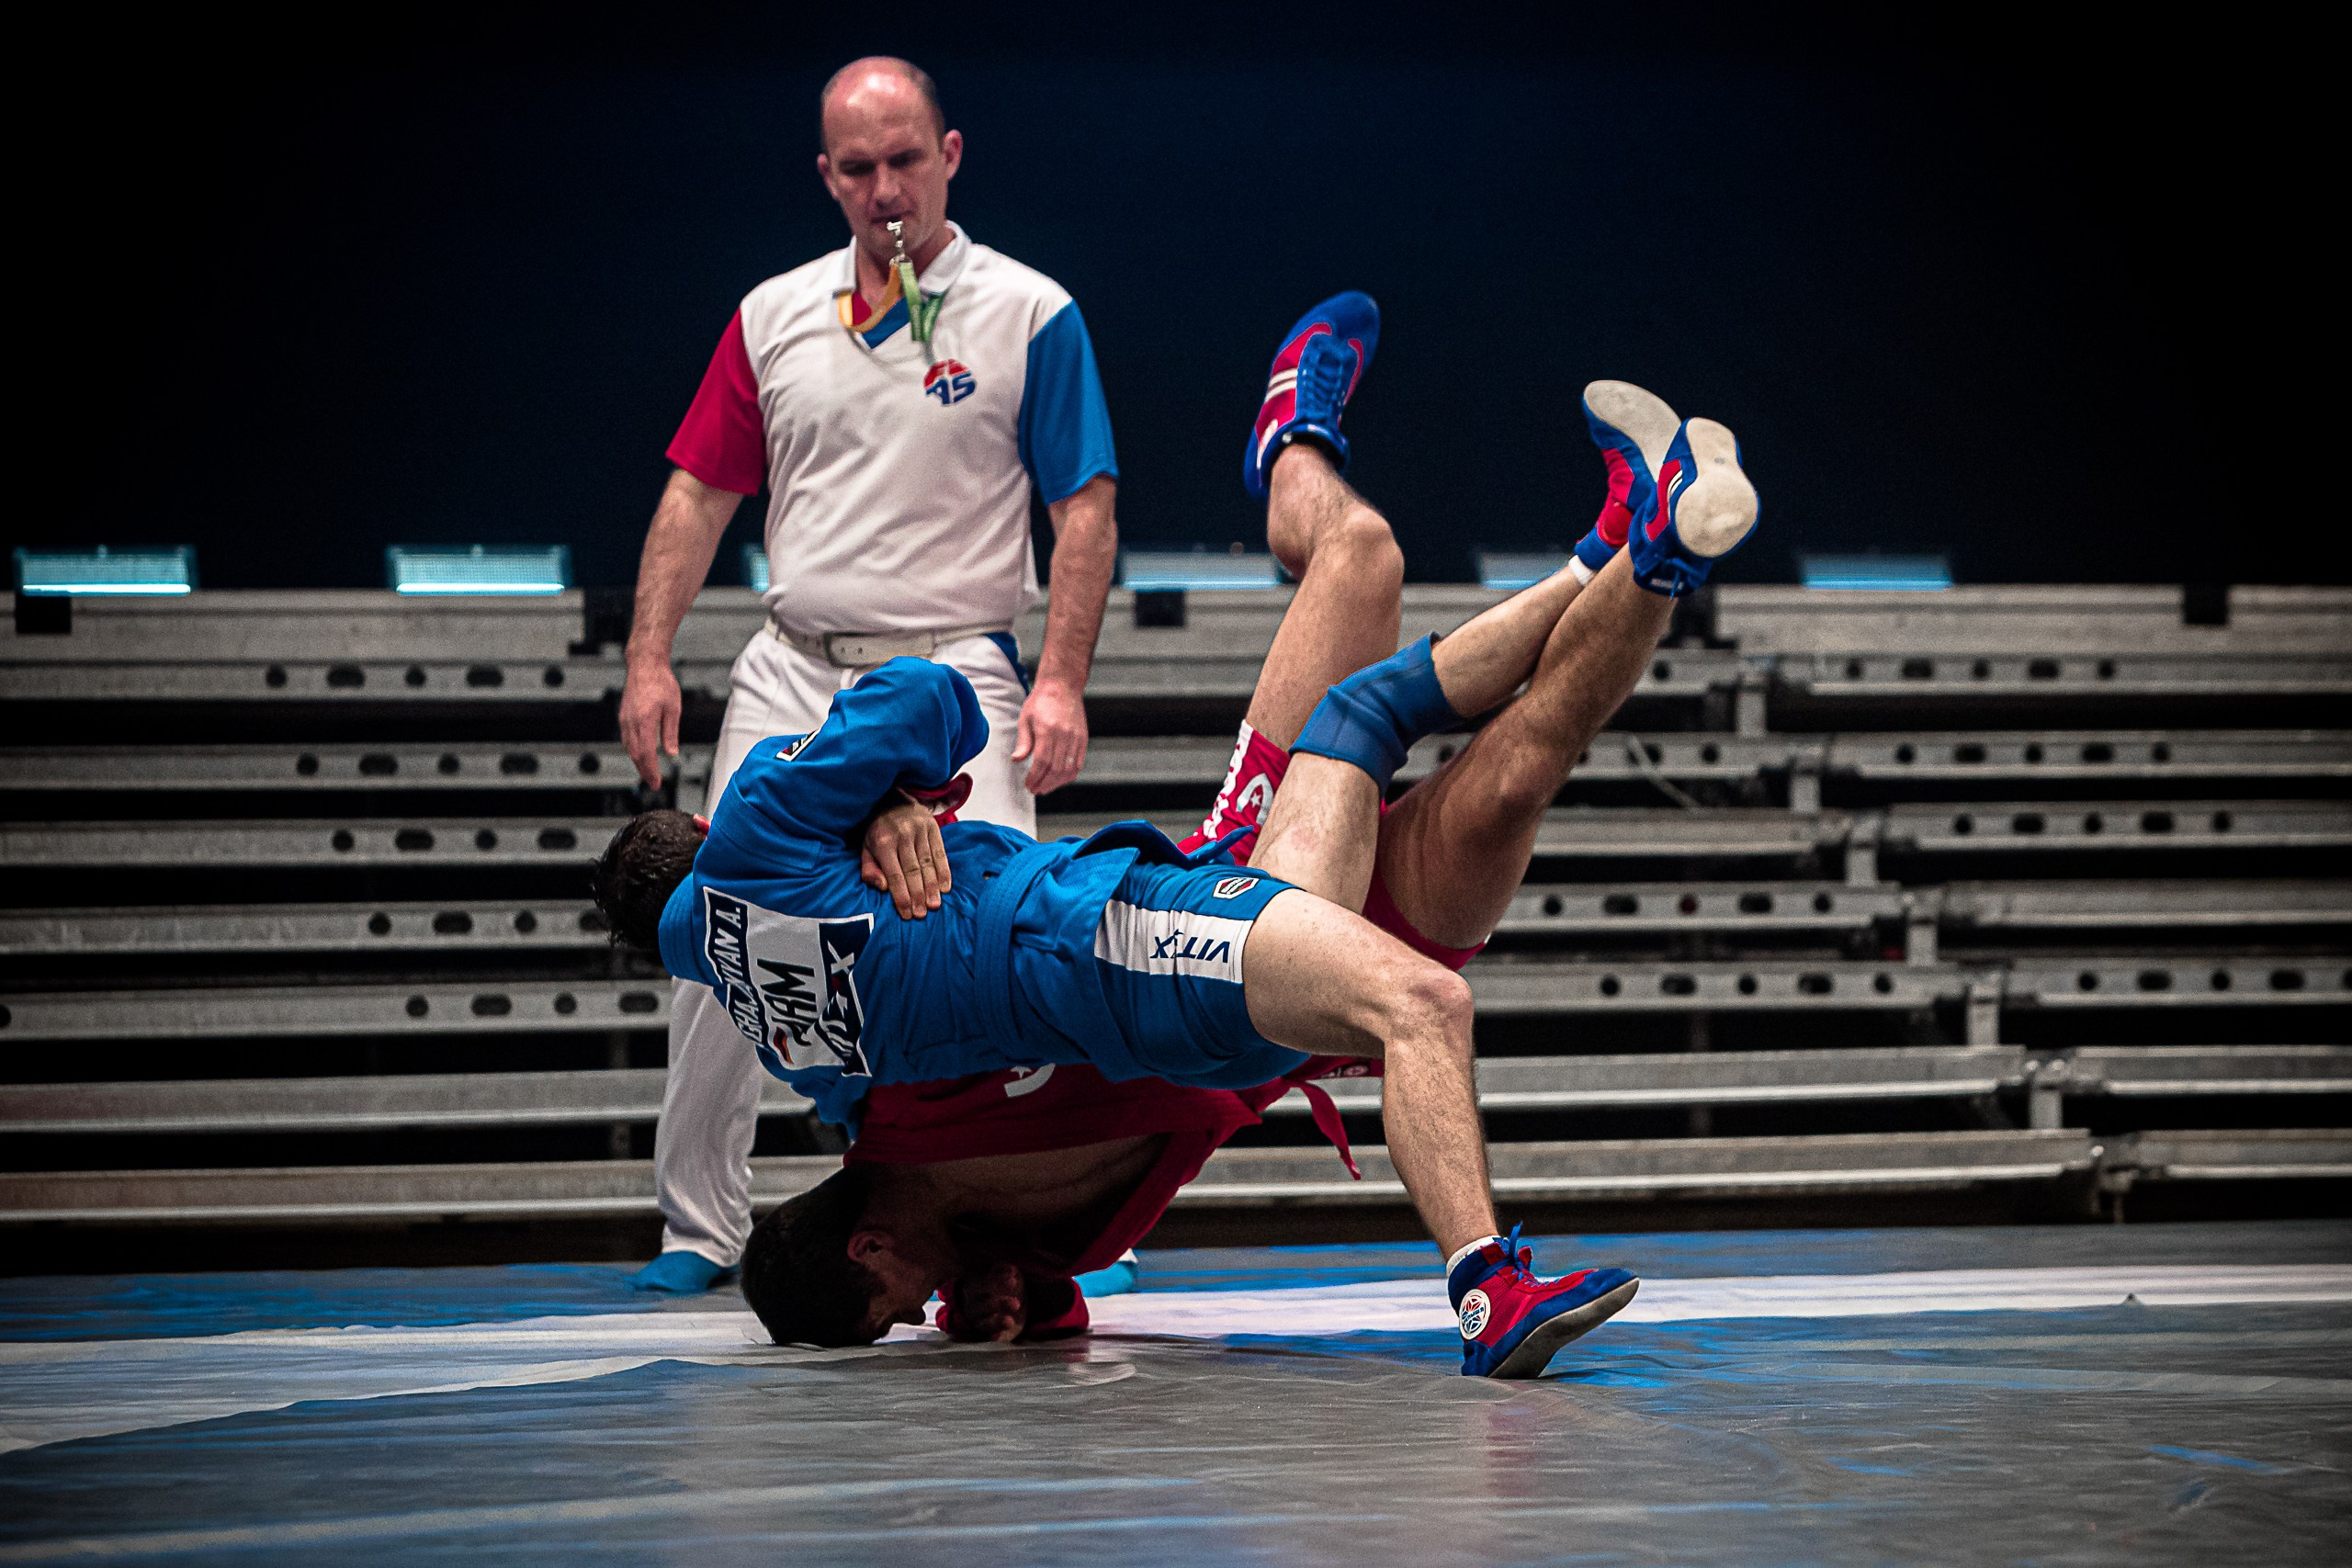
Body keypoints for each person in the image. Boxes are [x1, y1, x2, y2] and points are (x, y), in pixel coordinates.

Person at [593, 292, 1758, 1377]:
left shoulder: (851, 1085)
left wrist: (879, 801)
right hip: (1247, 1020)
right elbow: (916, 728)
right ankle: (1649, 548)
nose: (924, 1315)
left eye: (903, 1312)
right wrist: (1003, 1297)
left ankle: (1294, 434)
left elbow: (875, 780)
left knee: (1362, 566)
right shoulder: (918, 1160)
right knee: (1511, 778)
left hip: (1192, 918)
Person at [615, 57, 1120, 1292]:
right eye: (858, 168)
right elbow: (697, 490)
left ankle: (1056, 1227)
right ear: (827, 176)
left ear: (952, 153)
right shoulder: (771, 312)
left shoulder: (1031, 310)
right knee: (721, 940)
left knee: (1006, 946)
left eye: (905, 160)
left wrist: (1060, 679)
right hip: (796, 668)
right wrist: (647, 655)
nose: (885, 189)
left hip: (958, 671)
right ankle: (700, 1226)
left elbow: (1086, 507)